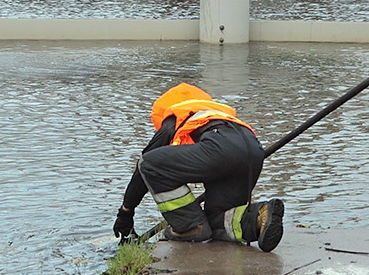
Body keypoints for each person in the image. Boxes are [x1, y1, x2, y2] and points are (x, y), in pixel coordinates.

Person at [114, 83, 284, 252]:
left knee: (149, 164)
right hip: (253, 152)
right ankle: (259, 216)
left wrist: (126, 212)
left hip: (220, 149)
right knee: (217, 220)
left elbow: (144, 168)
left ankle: (190, 227)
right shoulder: (218, 114)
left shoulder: (175, 117)